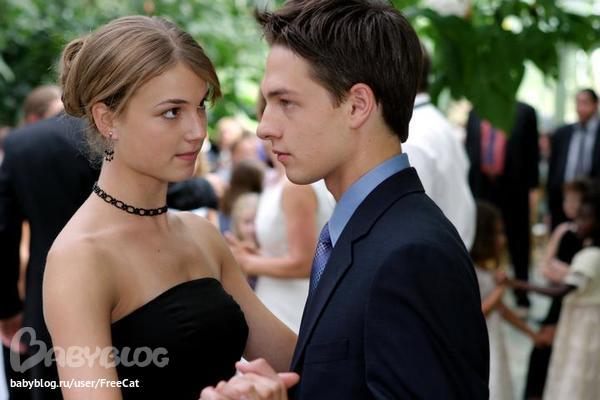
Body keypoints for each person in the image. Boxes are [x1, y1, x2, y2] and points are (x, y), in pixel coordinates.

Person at [201, 1, 489, 398]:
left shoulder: (411, 254)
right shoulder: (365, 231)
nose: (264, 127)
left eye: (286, 102)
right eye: (268, 104)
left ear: (357, 105)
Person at [43, 16, 298, 400]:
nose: (197, 131)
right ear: (107, 118)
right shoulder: (79, 258)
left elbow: (298, 363)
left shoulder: (201, 234)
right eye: (171, 112)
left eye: (200, 106)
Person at [0, 110, 98, 400]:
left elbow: (3, 233)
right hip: (134, 298)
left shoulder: (24, 143)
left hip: (45, 300)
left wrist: (8, 309)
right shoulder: (126, 132)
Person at [227, 140, 334, 333]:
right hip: (274, 296)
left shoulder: (296, 186)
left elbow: (305, 263)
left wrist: (246, 262)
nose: (262, 133)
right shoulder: (276, 181)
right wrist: (256, 254)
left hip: (291, 304)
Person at [504, 184, 600, 400]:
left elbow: (560, 291)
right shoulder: (581, 246)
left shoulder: (591, 256)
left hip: (584, 322)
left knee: (579, 367)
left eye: (584, 218)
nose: (578, 222)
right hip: (578, 317)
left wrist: (519, 284)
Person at [466, 101, 540, 311]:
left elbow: (532, 153)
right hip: (482, 187)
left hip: (514, 187)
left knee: (518, 239)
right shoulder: (476, 112)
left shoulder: (525, 112)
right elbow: (470, 149)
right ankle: (479, 290)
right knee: (480, 238)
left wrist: (532, 190)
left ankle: (522, 294)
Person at [470, 201, 542, 400]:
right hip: (483, 342)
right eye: (498, 233)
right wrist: (501, 288)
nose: (503, 239)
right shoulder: (472, 272)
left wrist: (532, 334)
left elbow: (502, 310)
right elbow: (480, 312)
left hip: (496, 339)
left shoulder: (487, 270)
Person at [405, 48, 476, 250]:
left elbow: (411, 224)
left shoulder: (412, 136)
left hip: (431, 258)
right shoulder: (437, 123)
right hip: (451, 252)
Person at [524, 180, 587, 399]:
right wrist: (569, 273)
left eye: (575, 200)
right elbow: (545, 266)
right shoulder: (562, 230)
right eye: (567, 200)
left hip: (579, 303)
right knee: (541, 349)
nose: (569, 205)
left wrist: (564, 272)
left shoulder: (589, 239)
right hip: (559, 301)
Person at [547, 88, 600, 229]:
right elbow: (553, 169)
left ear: (595, 105)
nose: (580, 108)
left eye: (585, 103)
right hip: (562, 201)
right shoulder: (562, 133)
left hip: (593, 200)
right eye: (577, 103)